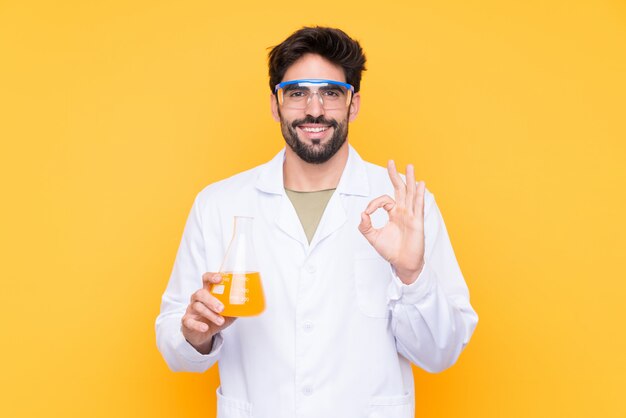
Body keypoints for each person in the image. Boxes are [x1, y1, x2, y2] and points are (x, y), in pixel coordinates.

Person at [156, 26, 478, 418]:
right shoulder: (218, 204)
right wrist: (195, 334)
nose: (314, 109)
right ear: (275, 104)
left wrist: (411, 275)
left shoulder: (406, 206)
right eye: (297, 93)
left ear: (352, 104)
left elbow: (440, 353)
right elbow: (176, 344)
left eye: (330, 92)